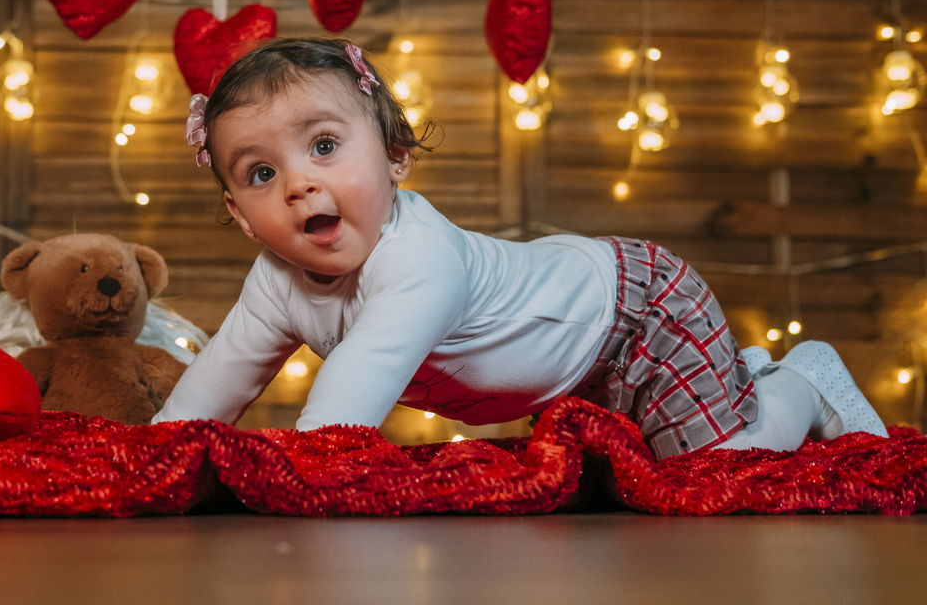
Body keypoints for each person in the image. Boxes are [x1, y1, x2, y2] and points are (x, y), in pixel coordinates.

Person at [153, 37, 888, 458]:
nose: (297, 185)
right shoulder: (275, 278)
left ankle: (801, 381)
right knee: (650, 471)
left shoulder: (419, 258)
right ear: (240, 214)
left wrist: (305, 472)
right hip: (571, 362)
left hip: (638, 309)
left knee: (720, 469)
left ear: (395, 157)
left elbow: (342, 411)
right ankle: (738, 383)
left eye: (323, 145)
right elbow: (216, 382)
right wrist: (158, 462)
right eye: (260, 172)